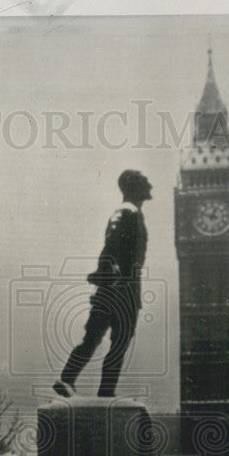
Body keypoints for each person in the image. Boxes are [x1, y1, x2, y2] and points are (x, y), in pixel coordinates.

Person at [54, 169, 152, 398]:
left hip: (115, 288)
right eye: (145, 180)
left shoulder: (130, 212)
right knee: (116, 342)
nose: (150, 185)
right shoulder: (127, 212)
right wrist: (113, 276)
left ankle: (72, 378)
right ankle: (98, 389)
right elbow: (112, 246)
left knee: (97, 339)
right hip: (120, 290)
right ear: (135, 186)